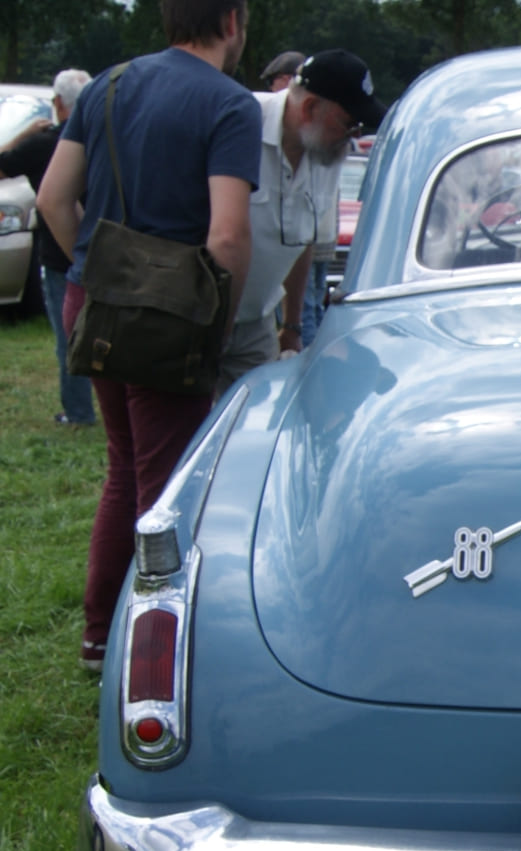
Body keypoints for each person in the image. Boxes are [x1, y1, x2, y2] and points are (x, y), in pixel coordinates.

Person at [36, 0, 261, 670]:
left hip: (93, 302)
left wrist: (97, 269)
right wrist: (216, 322)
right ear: (231, 22)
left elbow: (52, 197)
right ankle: (153, 646)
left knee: (124, 470)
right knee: (170, 487)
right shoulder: (230, 105)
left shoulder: (105, 84)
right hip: (170, 317)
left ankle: (100, 634)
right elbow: (226, 235)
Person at [217, 49, 385, 397]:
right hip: (203, 317)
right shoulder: (238, 120)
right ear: (309, 109)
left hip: (256, 322)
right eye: (348, 123)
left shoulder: (325, 152)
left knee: (258, 427)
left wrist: (291, 323)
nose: (351, 135)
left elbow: (301, 239)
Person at [0, 68, 93, 425]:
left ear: (57, 103)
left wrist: (23, 134)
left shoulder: (44, 144)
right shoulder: (102, 140)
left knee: (68, 336)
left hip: (58, 252)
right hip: (105, 245)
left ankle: (78, 410)